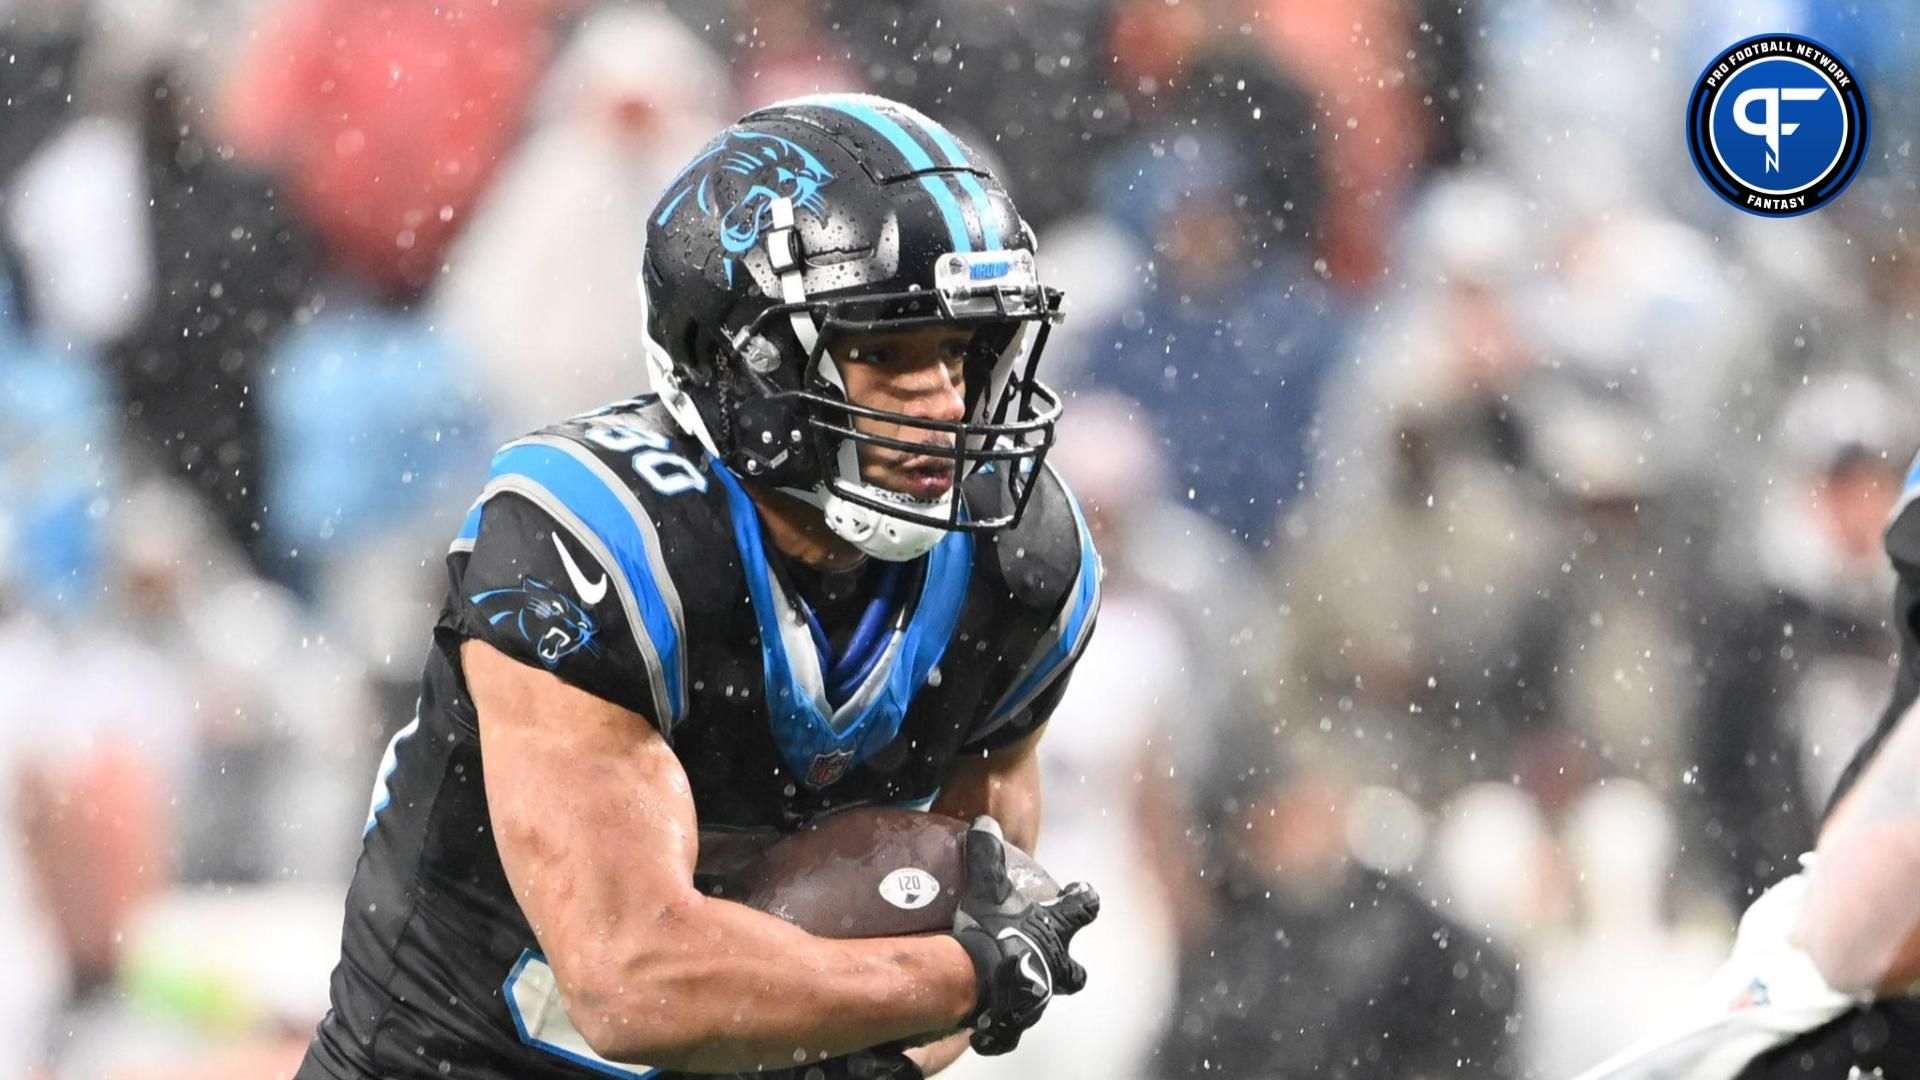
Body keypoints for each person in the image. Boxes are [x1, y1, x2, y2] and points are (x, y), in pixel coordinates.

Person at [295, 94, 1103, 1080]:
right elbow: (630, 981)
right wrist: (954, 982)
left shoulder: (1019, 568)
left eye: (962, 352)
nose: (943, 400)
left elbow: (971, 910)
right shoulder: (599, 539)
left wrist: (898, 1025)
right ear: (746, 361)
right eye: (886, 352)